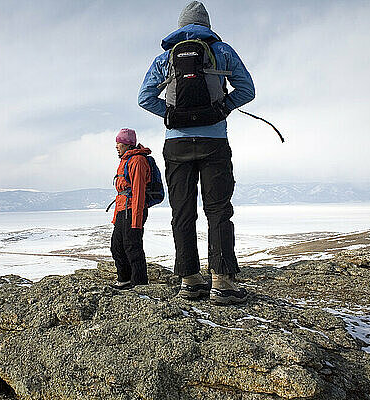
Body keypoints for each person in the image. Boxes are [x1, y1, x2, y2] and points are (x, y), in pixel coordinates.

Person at [138, 1, 255, 304]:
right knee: (218, 210)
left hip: (176, 145)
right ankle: (222, 282)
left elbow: (144, 98)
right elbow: (247, 90)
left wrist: (173, 115)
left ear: (181, 27)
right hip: (214, 142)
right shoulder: (222, 51)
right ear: (207, 25)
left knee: (183, 212)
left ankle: (190, 281)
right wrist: (221, 109)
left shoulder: (165, 58)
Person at [110, 128, 152, 289]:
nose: (116, 146)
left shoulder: (137, 161)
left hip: (133, 210)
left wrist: (137, 219)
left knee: (132, 247)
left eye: (119, 143)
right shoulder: (125, 161)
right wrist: (116, 217)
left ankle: (140, 284)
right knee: (117, 246)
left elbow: (139, 191)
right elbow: (121, 193)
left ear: (128, 144)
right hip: (123, 209)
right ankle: (125, 279)